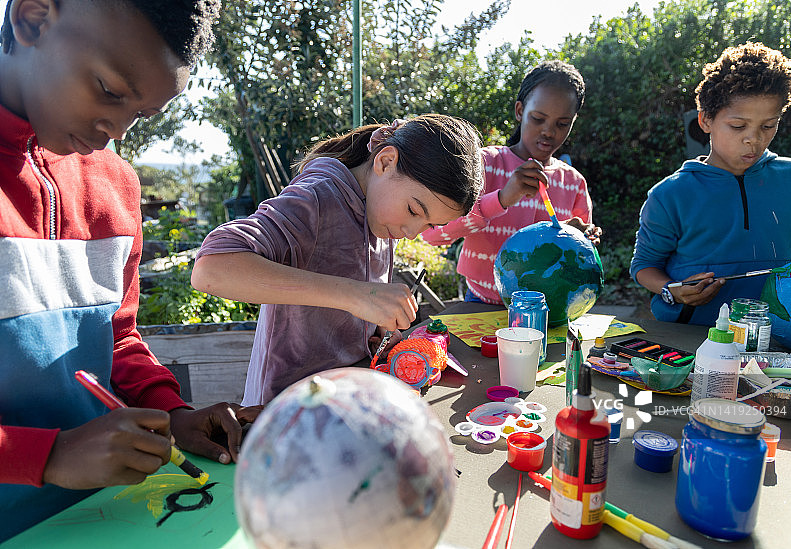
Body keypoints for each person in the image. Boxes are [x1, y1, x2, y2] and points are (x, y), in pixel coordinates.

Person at [0, 0, 260, 541]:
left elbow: (115, 342)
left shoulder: (115, 188)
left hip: (100, 521)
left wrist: (172, 413)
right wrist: (48, 456)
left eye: (138, 115)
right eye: (110, 91)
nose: (113, 130)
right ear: (33, 18)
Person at [191, 114, 483, 404]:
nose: (410, 233)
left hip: (344, 402)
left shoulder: (378, 211)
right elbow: (211, 268)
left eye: (429, 225)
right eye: (413, 211)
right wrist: (357, 296)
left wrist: (375, 330)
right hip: (286, 413)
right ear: (385, 162)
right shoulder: (315, 198)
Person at [630, 42, 791, 325]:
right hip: (691, 338)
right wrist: (674, 290)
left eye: (768, 126)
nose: (753, 139)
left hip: (774, 338)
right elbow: (644, 267)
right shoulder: (669, 194)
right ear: (706, 120)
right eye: (738, 126)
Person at [421, 60, 601, 305]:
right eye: (538, 118)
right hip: (480, 305)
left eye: (562, 124)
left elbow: (581, 262)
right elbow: (433, 235)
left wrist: (579, 237)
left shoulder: (573, 183)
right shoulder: (484, 165)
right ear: (519, 111)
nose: (549, 131)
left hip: (548, 313)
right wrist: (501, 199)